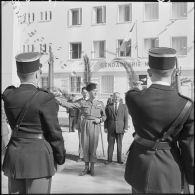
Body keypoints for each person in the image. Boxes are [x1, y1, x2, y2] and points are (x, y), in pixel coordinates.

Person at [124, 47, 194, 194]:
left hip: (138, 167)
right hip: (169, 170)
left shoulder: (133, 98)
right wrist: (192, 179)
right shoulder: (187, 105)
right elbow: (189, 148)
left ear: (149, 73)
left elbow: (133, 91)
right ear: (174, 72)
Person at [2, 52, 66, 194]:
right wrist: (60, 159)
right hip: (39, 159)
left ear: (18, 74)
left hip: (14, 155)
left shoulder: (9, 95)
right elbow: (55, 133)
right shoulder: (45, 98)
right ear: (37, 74)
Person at [56, 83, 106, 176]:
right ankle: (86, 167)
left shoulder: (100, 103)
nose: (96, 92)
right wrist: (58, 100)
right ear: (89, 92)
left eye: (96, 91)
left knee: (93, 147)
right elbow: (70, 105)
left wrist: (99, 120)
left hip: (95, 126)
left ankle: (93, 168)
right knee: (85, 147)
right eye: (94, 91)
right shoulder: (83, 102)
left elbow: (104, 116)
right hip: (85, 125)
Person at [104, 92, 128, 164]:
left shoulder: (124, 106)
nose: (116, 98)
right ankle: (109, 159)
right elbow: (106, 118)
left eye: (117, 97)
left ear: (120, 98)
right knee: (110, 144)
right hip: (111, 128)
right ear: (113, 98)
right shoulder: (108, 106)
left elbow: (126, 118)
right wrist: (105, 127)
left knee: (119, 144)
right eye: (115, 97)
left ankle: (119, 160)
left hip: (120, 128)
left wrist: (125, 127)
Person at [75, 87, 89, 162]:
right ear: (81, 93)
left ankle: (88, 156)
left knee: (89, 140)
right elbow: (76, 114)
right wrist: (76, 124)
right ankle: (81, 156)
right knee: (81, 140)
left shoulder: (92, 101)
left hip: (89, 123)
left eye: (86, 92)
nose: (85, 93)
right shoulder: (78, 101)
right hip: (81, 123)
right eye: (83, 92)